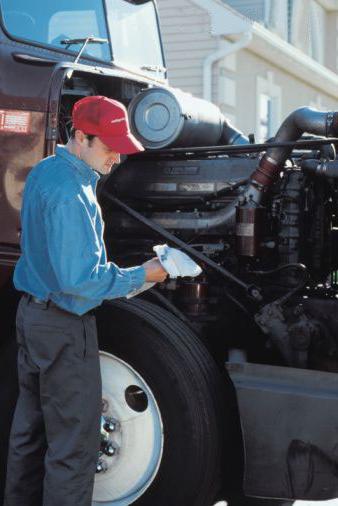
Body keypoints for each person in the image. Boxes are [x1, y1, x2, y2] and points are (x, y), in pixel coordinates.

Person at [3, 95, 168, 506]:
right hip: (62, 327)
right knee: (73, 448)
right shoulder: (74, 193)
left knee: (29, 433)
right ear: (80, 136)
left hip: (31, 318)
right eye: (109, 146)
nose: (116, 158)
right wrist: (147, 273)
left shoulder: (44, 171)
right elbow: (81, 282)